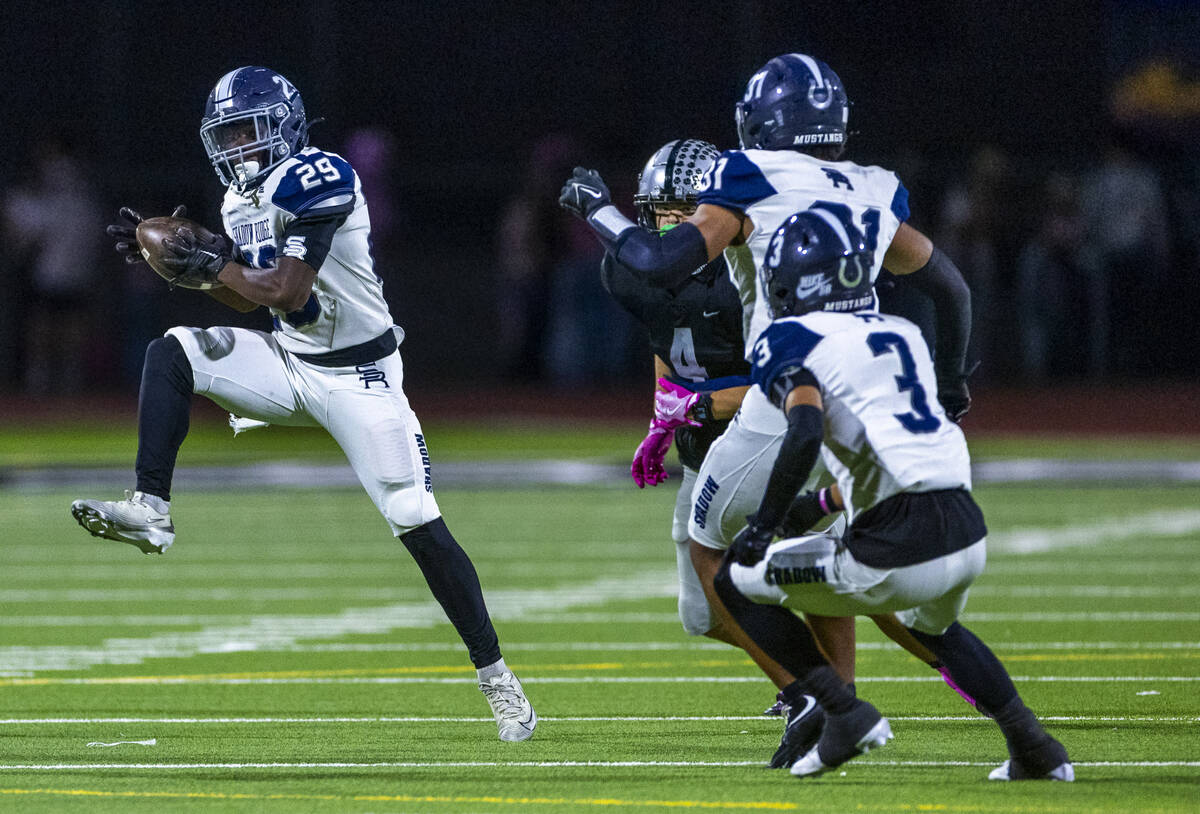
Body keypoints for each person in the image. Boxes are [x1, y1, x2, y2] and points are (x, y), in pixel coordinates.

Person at [69, 66, 536, 742]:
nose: (236, 147)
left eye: (246, 131)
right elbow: (245, 293)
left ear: (284, 124)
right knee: (171, 352)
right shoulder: (237, 202)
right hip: (293, 362)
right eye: (224, 135)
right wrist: (189, 269)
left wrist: (205, 263)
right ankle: (151, 509)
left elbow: (286, 290)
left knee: (415, 520)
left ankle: (496, 676)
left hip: (362, 377)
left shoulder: (320, 175)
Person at [562, 53, 976, 763]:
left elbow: (664, 266)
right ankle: (999, 715)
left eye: (682, 212)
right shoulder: (871, 185)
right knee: (863, 577)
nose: (673, 223)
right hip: (868, 393)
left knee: (729, 552)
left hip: (785, 397)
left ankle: (827, 700)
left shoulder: (745, 183)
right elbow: (953, 291)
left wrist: (593, 207)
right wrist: (952, 385)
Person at [712, 208, 1072, 781]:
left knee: (732, 577)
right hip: (966, 529)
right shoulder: (899, 333)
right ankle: (1034, 746)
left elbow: (805, 427)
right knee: (937, 630)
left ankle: (843, 711)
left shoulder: (789, 337)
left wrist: (765, 526)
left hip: (899, 544)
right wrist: (823, 505)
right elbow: (893, 448)